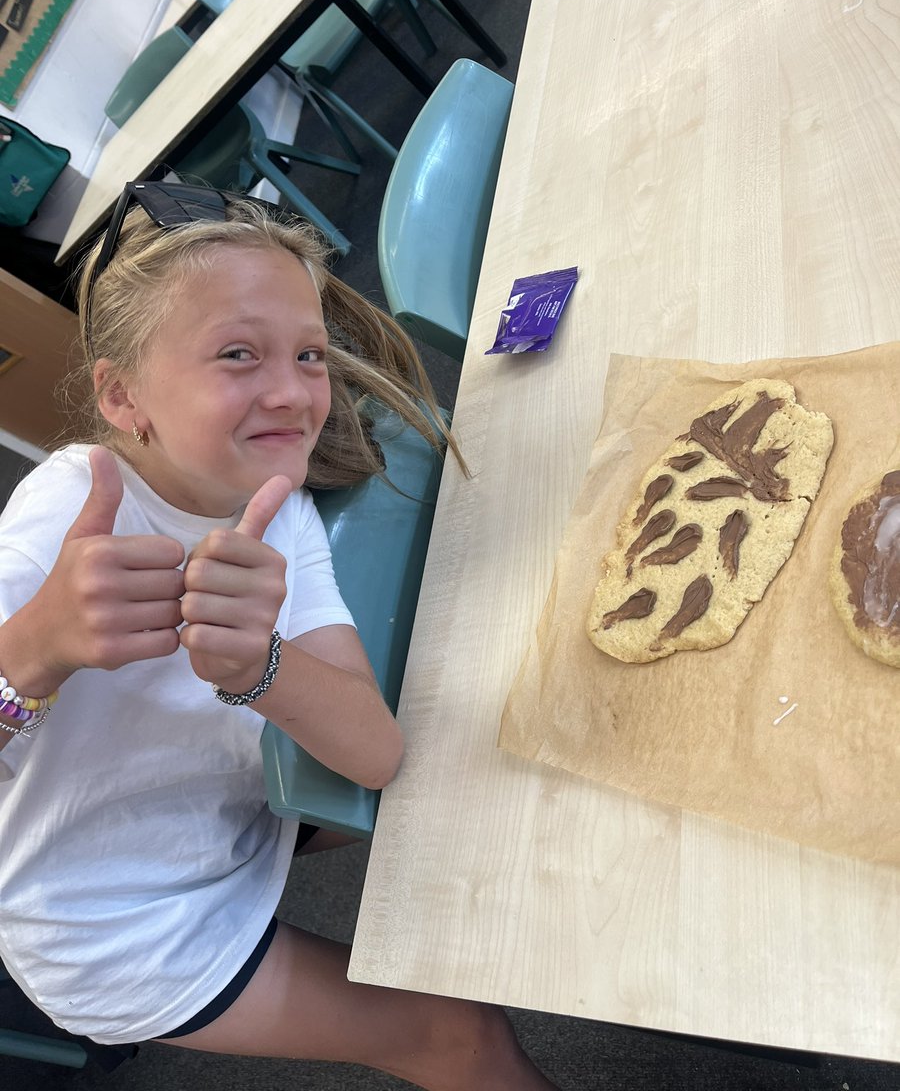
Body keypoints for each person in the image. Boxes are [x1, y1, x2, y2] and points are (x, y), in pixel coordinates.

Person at [0, 184, 564, 1089]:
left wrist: (258, 666)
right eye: (236, 355)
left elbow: (373, 754)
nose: (294, 394)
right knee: (455, 1036)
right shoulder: (63, 522)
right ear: (121, 393)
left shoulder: (277, 503)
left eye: (307, 353)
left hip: (229, 813)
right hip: (119, 927)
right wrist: (34, 648)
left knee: (474, 769)